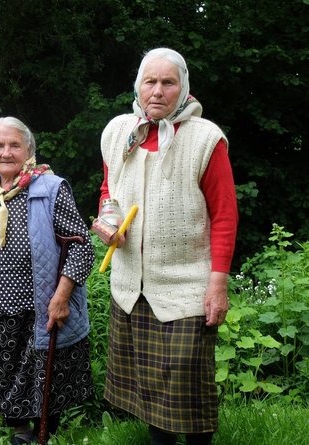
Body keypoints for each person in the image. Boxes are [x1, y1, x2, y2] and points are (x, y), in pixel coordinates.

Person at [95, 48, 238, 445]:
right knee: (152, 395)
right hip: (131, 289)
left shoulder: (205, 139)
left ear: (183, 87)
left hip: (185, 286)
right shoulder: (118, 131)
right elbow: (110, 191)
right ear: (137, 86)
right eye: (150, 81)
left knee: (189, 394)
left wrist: (218, 284)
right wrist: (108, 222)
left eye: (168, 83)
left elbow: (224, 216)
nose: (157, 91)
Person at [0, 117, 95, 444]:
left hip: (41, 307)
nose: (6, 152)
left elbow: (81, 246)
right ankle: (21, 436)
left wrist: (62, 295)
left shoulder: (51, 188)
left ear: (29, 150)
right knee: (8, 384)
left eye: (14, 145)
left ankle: (38, 438)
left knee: (44, 388)